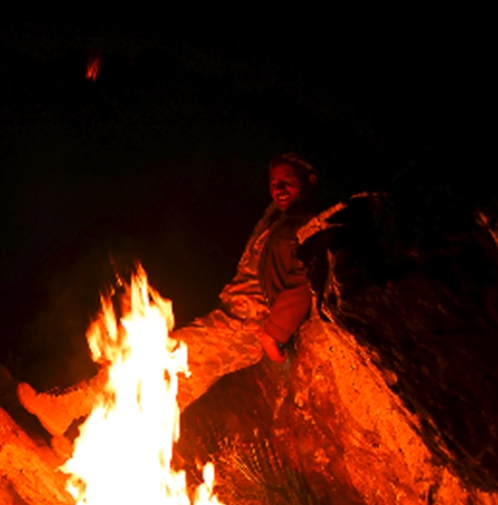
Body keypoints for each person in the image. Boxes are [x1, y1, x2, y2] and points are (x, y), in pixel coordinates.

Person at [18, 152, 318, 437]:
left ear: (310, 179)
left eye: (287, 179)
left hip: (246, 325)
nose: (277, 187)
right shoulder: (279, 221)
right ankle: (128, 459)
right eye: (272, 181)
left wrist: (274, 332)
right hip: (232, 318)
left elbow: (303, 279)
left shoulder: (306, 223)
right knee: (171, 391)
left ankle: (67, 407)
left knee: (151, 354)